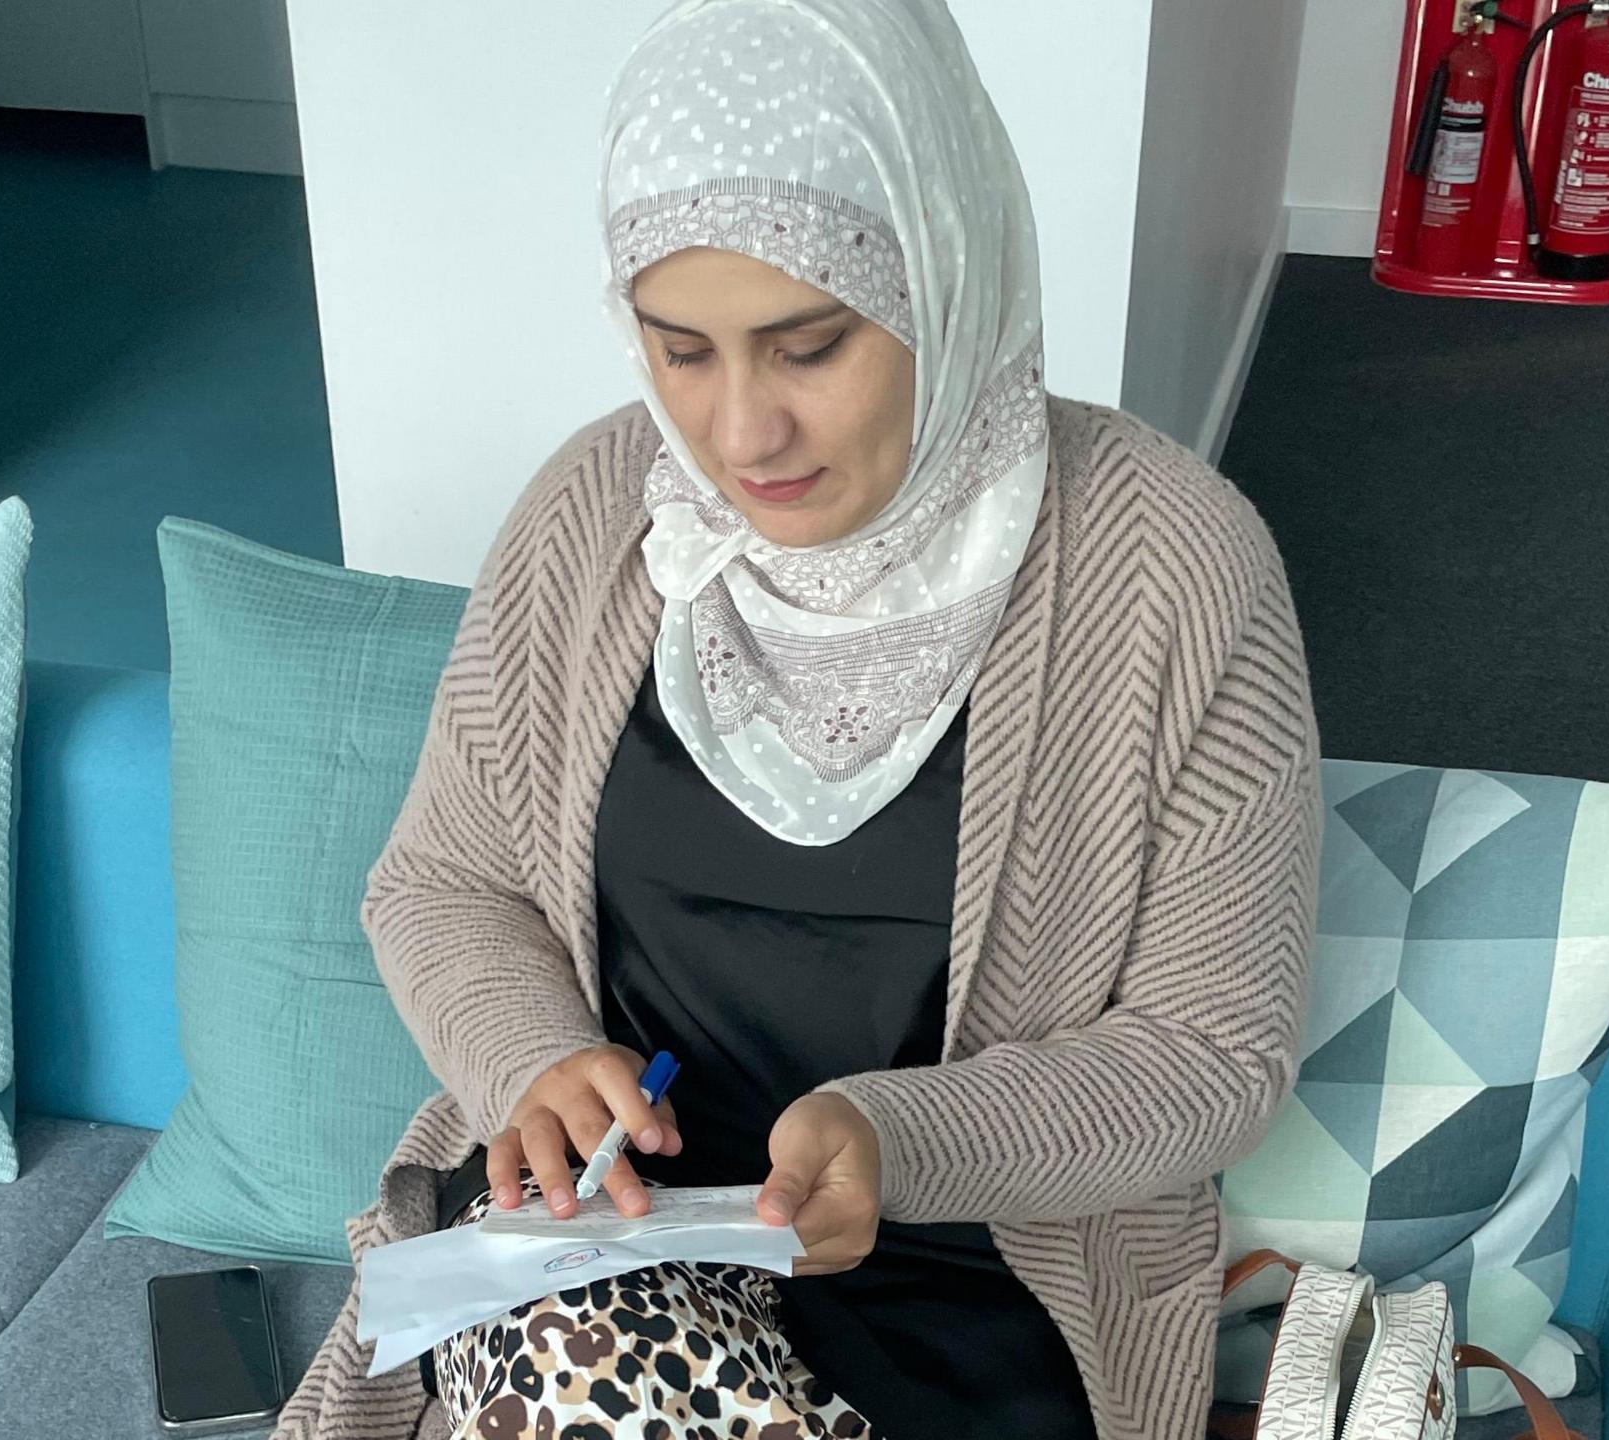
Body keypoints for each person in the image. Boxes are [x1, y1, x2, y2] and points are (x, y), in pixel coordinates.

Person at [274, 1, 1320, 1436]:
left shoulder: (1176, 567)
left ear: (944, 274)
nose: (739, 434)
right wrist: (533, 1060)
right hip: (610, 1252)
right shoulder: (595, 514)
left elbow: (1214, 1055)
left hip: (974, 1280)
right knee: (585, 1367)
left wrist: (900, 1137)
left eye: (809, 344)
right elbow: (443, 881)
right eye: (679, 350)